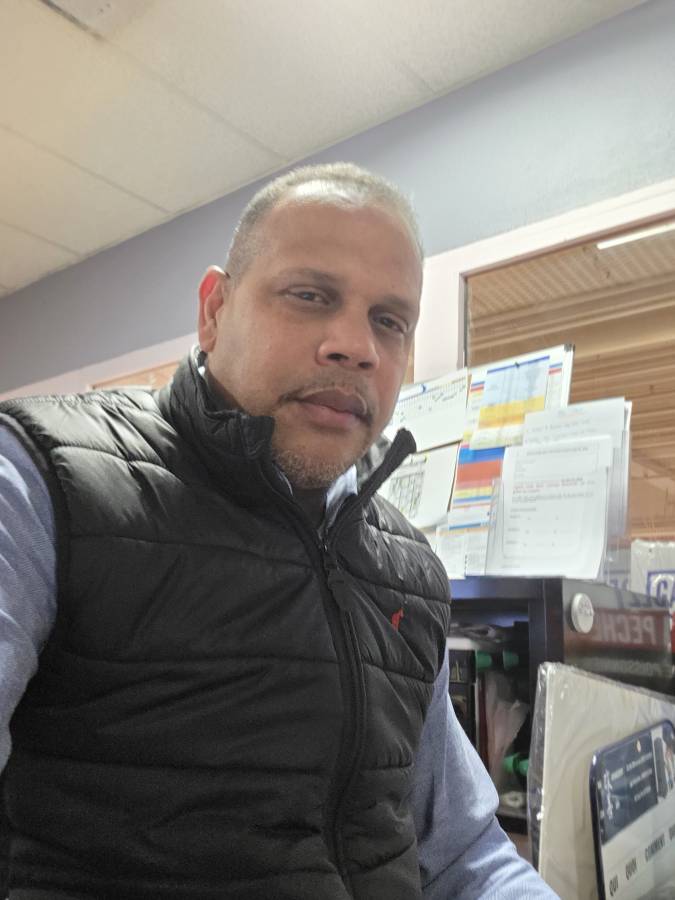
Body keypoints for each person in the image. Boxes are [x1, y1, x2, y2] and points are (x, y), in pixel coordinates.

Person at [0, 162, 558, 899]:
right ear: (214, 310)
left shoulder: (409, 572)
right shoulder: (41, 482)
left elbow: (461, 854)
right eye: (310, 296)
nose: (355, 345)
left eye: (388, 320)